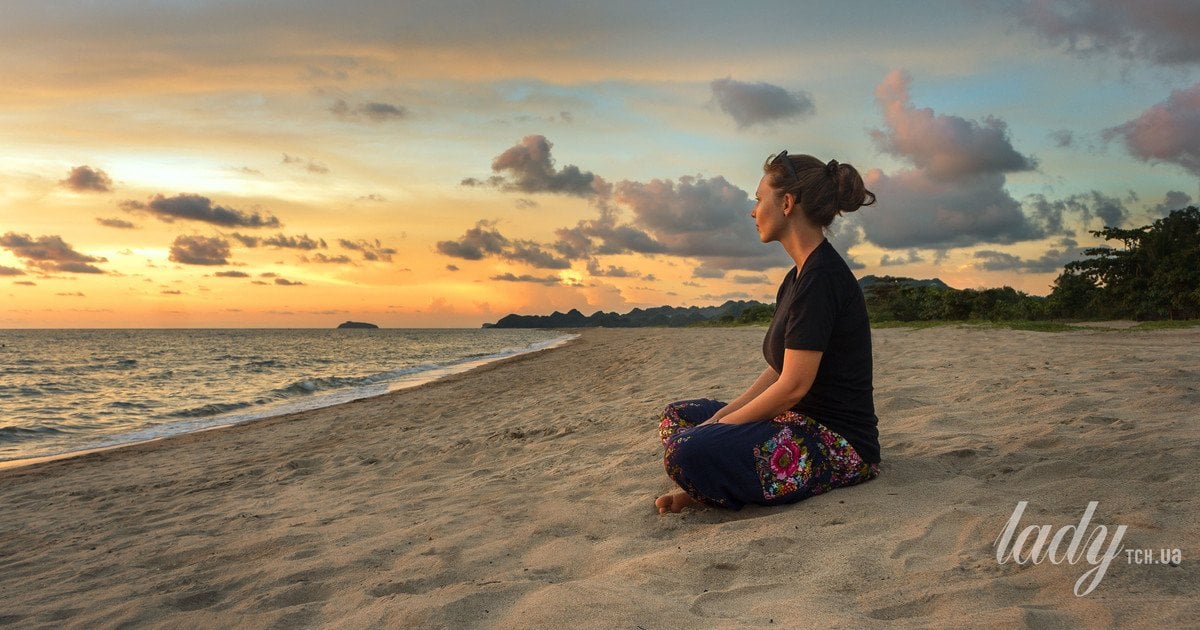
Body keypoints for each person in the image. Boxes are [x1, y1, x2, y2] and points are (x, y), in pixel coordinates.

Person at [655, 150, 881, 514]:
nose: (753, 210)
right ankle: (713, 483)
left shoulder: (822, 278)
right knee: (680, 416)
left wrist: (719, 429)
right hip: (791, 422)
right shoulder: (797, 276)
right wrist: (721, 418)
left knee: (688, 450)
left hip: (835, 443)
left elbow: (793, 387)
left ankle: (710, 489)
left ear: (787, 203)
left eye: (759, 199)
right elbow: (779, 370)